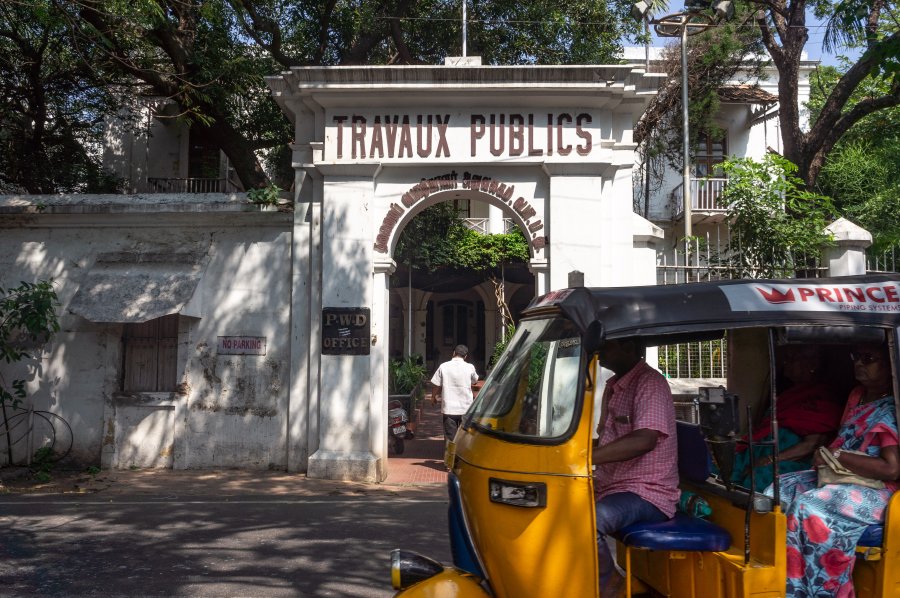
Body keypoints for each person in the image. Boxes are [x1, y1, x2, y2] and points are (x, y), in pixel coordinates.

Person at [772, 342, 899, 597]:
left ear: (891, 366)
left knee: (810, 507)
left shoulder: (891, 407)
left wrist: (837, 456)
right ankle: (789, 586)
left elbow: (891, 469)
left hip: (878, 490)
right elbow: (844, 437)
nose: (859, 363)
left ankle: (825, 590)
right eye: (857, 357)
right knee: (776, 491)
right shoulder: (857, 395)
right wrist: (826, 456)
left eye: (869, 358)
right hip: (844, 477)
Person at [592, 337, 680, 596]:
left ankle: (612, 589)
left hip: (646, 492)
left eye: (606, 345)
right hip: (612, 485)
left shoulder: (649, 383)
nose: (599, 352)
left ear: (628, 347)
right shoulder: (615, 386)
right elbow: (606, 437)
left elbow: (645, 439)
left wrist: (589, 458)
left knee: (588, 521)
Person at [732, 345, 843, 492]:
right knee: (718, 464)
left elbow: (812, 445)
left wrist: (770, 459)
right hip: (758, 453)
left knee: (758, 476)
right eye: (786, 358)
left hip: (790, 461)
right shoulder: (789, 394)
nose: (786, 363)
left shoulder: (821, 399)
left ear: (812, 364)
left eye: (792, 358)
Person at [430, 344, 479, 444]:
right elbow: (475, 380)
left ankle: (450, 458)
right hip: (465, 408)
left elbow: (436, 384)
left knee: (450, 438)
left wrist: (433, 397)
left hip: (449, 408)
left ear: (453, 353)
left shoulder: (443, 366)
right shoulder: (470, 367)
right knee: (465, 437)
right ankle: (461, 458)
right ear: (466, 356)